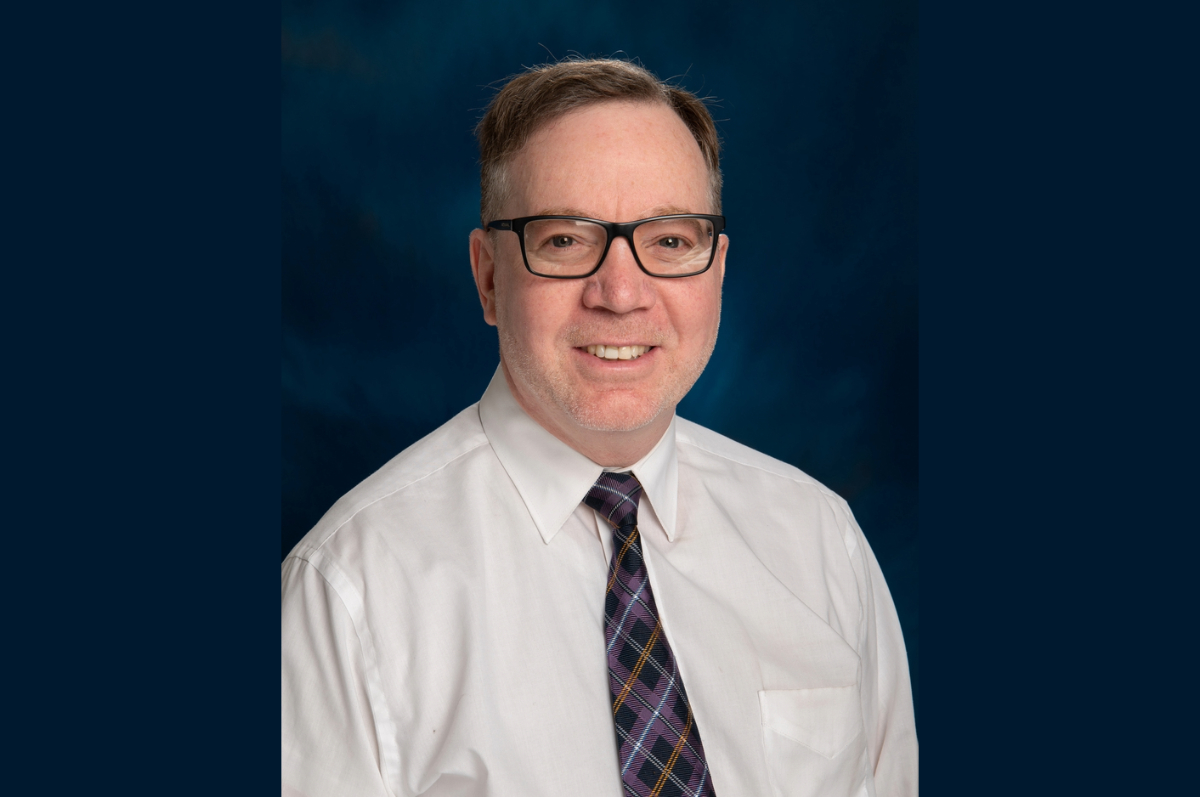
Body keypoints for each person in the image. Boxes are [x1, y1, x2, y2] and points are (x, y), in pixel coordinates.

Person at [282, 58, 917, 797]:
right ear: (489, 277)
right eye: (564, 240)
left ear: (716, 271)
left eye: (670, 241)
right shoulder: (352, 590)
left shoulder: (821, 543)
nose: (620, 293)